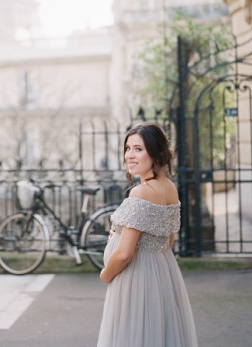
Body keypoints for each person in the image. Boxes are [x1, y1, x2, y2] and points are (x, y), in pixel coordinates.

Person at [97, 122, 198, 347]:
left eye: (138, 149)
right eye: (128, 148)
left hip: (135, 278)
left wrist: (105, 275)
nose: (130, 156)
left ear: (156, 152)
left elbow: (124, 254)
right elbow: (168, 239)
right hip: (161, 274)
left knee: (135, 336)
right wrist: (120, 233)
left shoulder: (141, 192)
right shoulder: (169, 187)